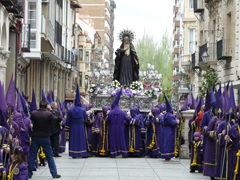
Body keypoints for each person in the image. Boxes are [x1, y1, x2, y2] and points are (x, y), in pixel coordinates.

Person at [28, 99, 61, 179]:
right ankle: (54, 173)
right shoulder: (49, 114)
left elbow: (31, 119)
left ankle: (29, 173)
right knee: (49, 155)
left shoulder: (34, 113)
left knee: (32, 155)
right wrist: (51, 110)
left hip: (35, 137)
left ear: (39, 105)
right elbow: (57, 118)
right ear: (46, 106)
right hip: (45, 137)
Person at [106, 88, 135, 157]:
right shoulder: (122, 112)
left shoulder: (110, 113)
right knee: (121, 140)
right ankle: (124, 153)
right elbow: (128, 119)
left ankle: (113, 153)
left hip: (112, 129)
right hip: (121, 128)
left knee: (113, 141)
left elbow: (107, 121)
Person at [65, 85, 89, 158]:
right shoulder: (82, 110)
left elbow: (68, 120)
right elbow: (86, 118)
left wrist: (67, 129)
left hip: (73, 127)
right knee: (81, 140)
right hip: (80, 126)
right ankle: (82, 153)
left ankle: (73, 154)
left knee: (73, 140)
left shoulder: (70, 110)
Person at [161, 95, 179, 161]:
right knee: (169, 143)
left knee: (165, 143)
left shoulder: (165, 115)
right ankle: (168, 157)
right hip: (170, 131)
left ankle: (166, 156)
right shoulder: (170, 116)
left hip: (165, 130)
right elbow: (173, 123)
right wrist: (177, 123)